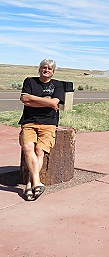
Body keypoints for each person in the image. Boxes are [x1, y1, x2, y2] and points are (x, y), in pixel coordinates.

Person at [19, 59, 65, 201]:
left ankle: (30, 183)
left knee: (40, 150)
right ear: (39, 69)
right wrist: (47, 102)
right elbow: (24, 100)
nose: (46, 70)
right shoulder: (29, 81)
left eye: (49, 68)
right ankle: (37, 183)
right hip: (29, 122)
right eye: (44, 67)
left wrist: (33, 100)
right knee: (27, 147)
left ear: (53, 71)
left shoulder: (57, 85)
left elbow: (55, 102)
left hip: (48, 123)